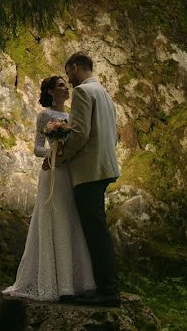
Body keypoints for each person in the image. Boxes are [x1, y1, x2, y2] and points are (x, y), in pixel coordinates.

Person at [2, 75, 96, 302]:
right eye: (61, 85)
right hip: (52, 172)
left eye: (66, 85)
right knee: (53, 218)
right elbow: (36, 148)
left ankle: (74, 282)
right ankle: (56, 284)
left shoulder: (73, 114)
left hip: (71, 172)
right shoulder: (45, 115)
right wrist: (52, 153)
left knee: (71, 218)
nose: (66, 88)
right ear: (52, 92)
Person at [59, 52, 122, 307]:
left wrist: (61, 157)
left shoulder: (83, 93)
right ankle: (104, 286)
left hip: (88, 170)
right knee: (97, 229)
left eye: (68, 72)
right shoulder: (104, 94)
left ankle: (108, 290)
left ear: (75, 67)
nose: (68, 78)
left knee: (95, 232)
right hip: (104, 167)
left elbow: (80, 133)